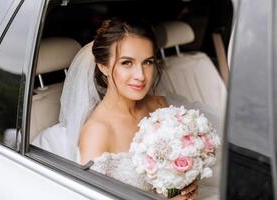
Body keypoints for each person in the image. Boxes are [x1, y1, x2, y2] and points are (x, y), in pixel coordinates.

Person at [77, 18, 198, 200]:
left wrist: (186, 182)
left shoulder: (159, 106)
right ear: (103, 67)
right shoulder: (97, 133)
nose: (141, 76)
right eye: (127, 63)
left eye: (147, 62)